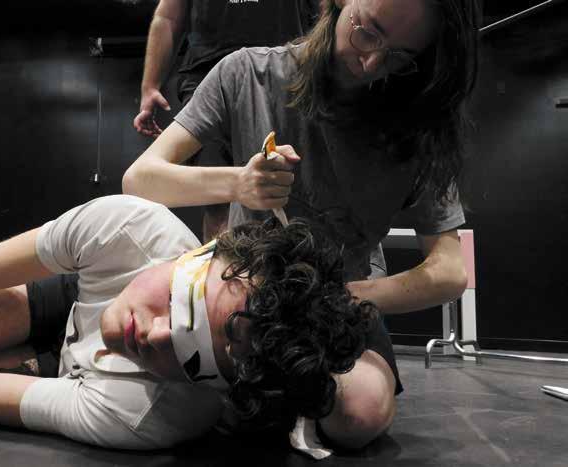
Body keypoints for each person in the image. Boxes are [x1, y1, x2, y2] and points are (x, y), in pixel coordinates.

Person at [122, 0, 480, 447]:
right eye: (368, 32)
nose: (371, 63)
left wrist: (338, 299)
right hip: (243, 303)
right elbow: (140, 180)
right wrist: (239, 184)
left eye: (400, 57)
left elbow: (449, 271)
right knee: (181, 405)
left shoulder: (420, 122)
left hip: (342, 306)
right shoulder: (246, 73)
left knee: (360, 414)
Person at [0, 194, 397, 451]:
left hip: (86, 377)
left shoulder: (148, 414)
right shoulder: (130, 230)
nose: (155, 335)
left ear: (212, 385)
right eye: (180, 304)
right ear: (205, 250)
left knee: (360, 412)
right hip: (87, 296)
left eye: (193, 356)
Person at [133, 0, 321, 240]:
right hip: (209, 74)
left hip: (283, 74)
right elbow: (168, 17)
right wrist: (150, 86)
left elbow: (328, 11)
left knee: (288, 194)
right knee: (218, 205)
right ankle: (223, 263)